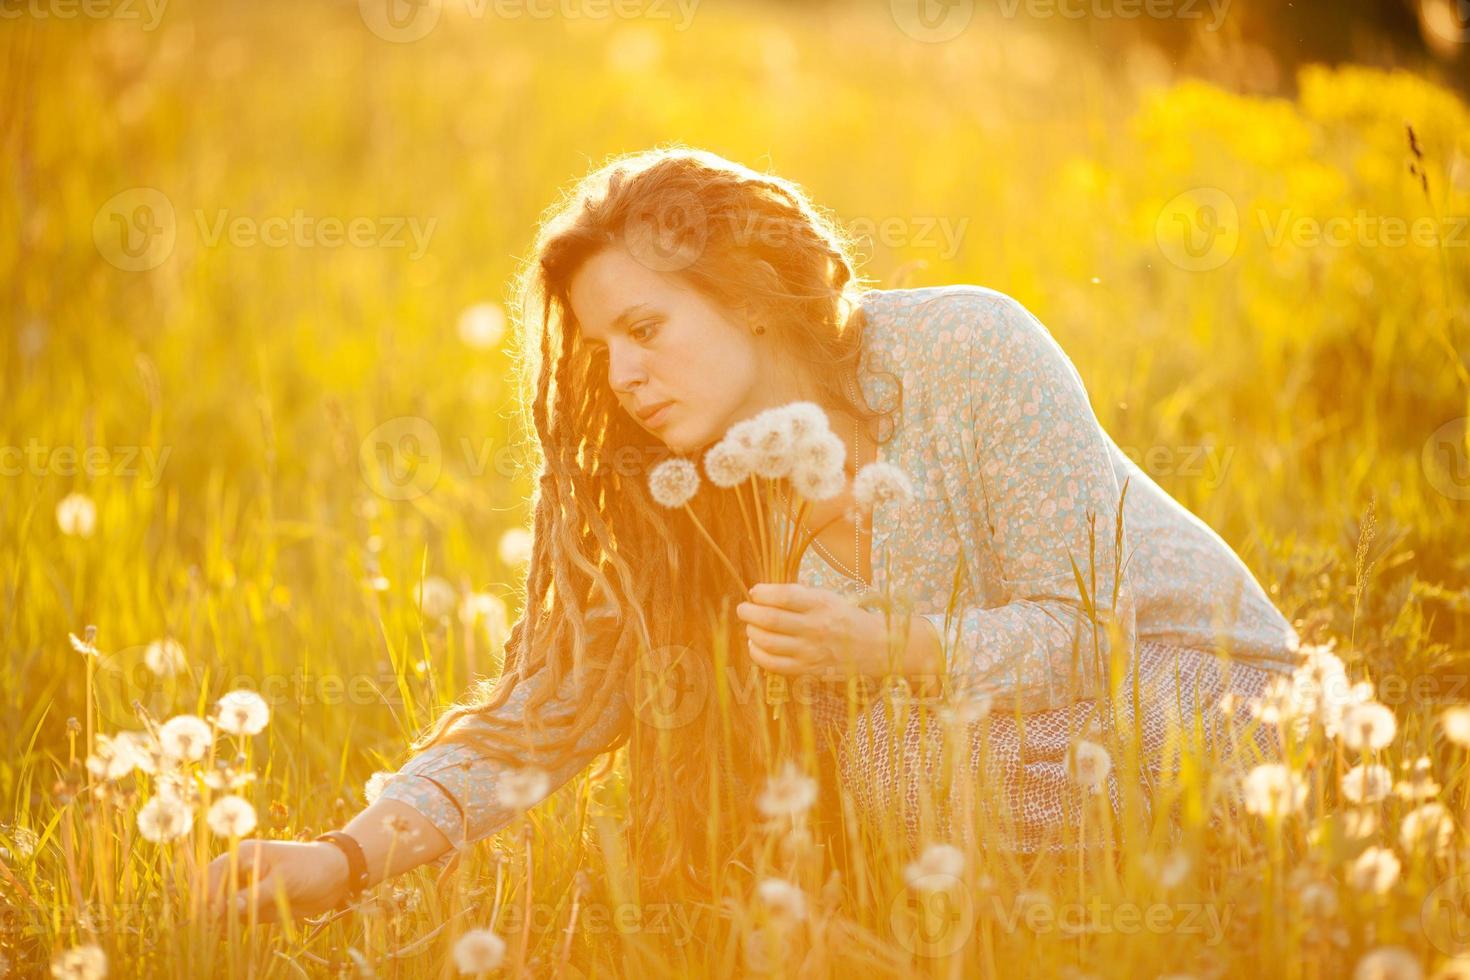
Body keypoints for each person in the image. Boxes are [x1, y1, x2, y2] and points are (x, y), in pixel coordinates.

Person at [206, 146, 1303, 922]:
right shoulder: (678, 492)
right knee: (886, 761)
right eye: (601, 350)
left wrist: (896, 651)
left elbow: (1090, 628)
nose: (623, 374)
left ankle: (1204, 894)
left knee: (891, 747)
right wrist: (347, 856)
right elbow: (546, 717)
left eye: (645, 327)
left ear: (747, 296)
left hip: (1192, 701)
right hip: (975, 807)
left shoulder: (968, 350)